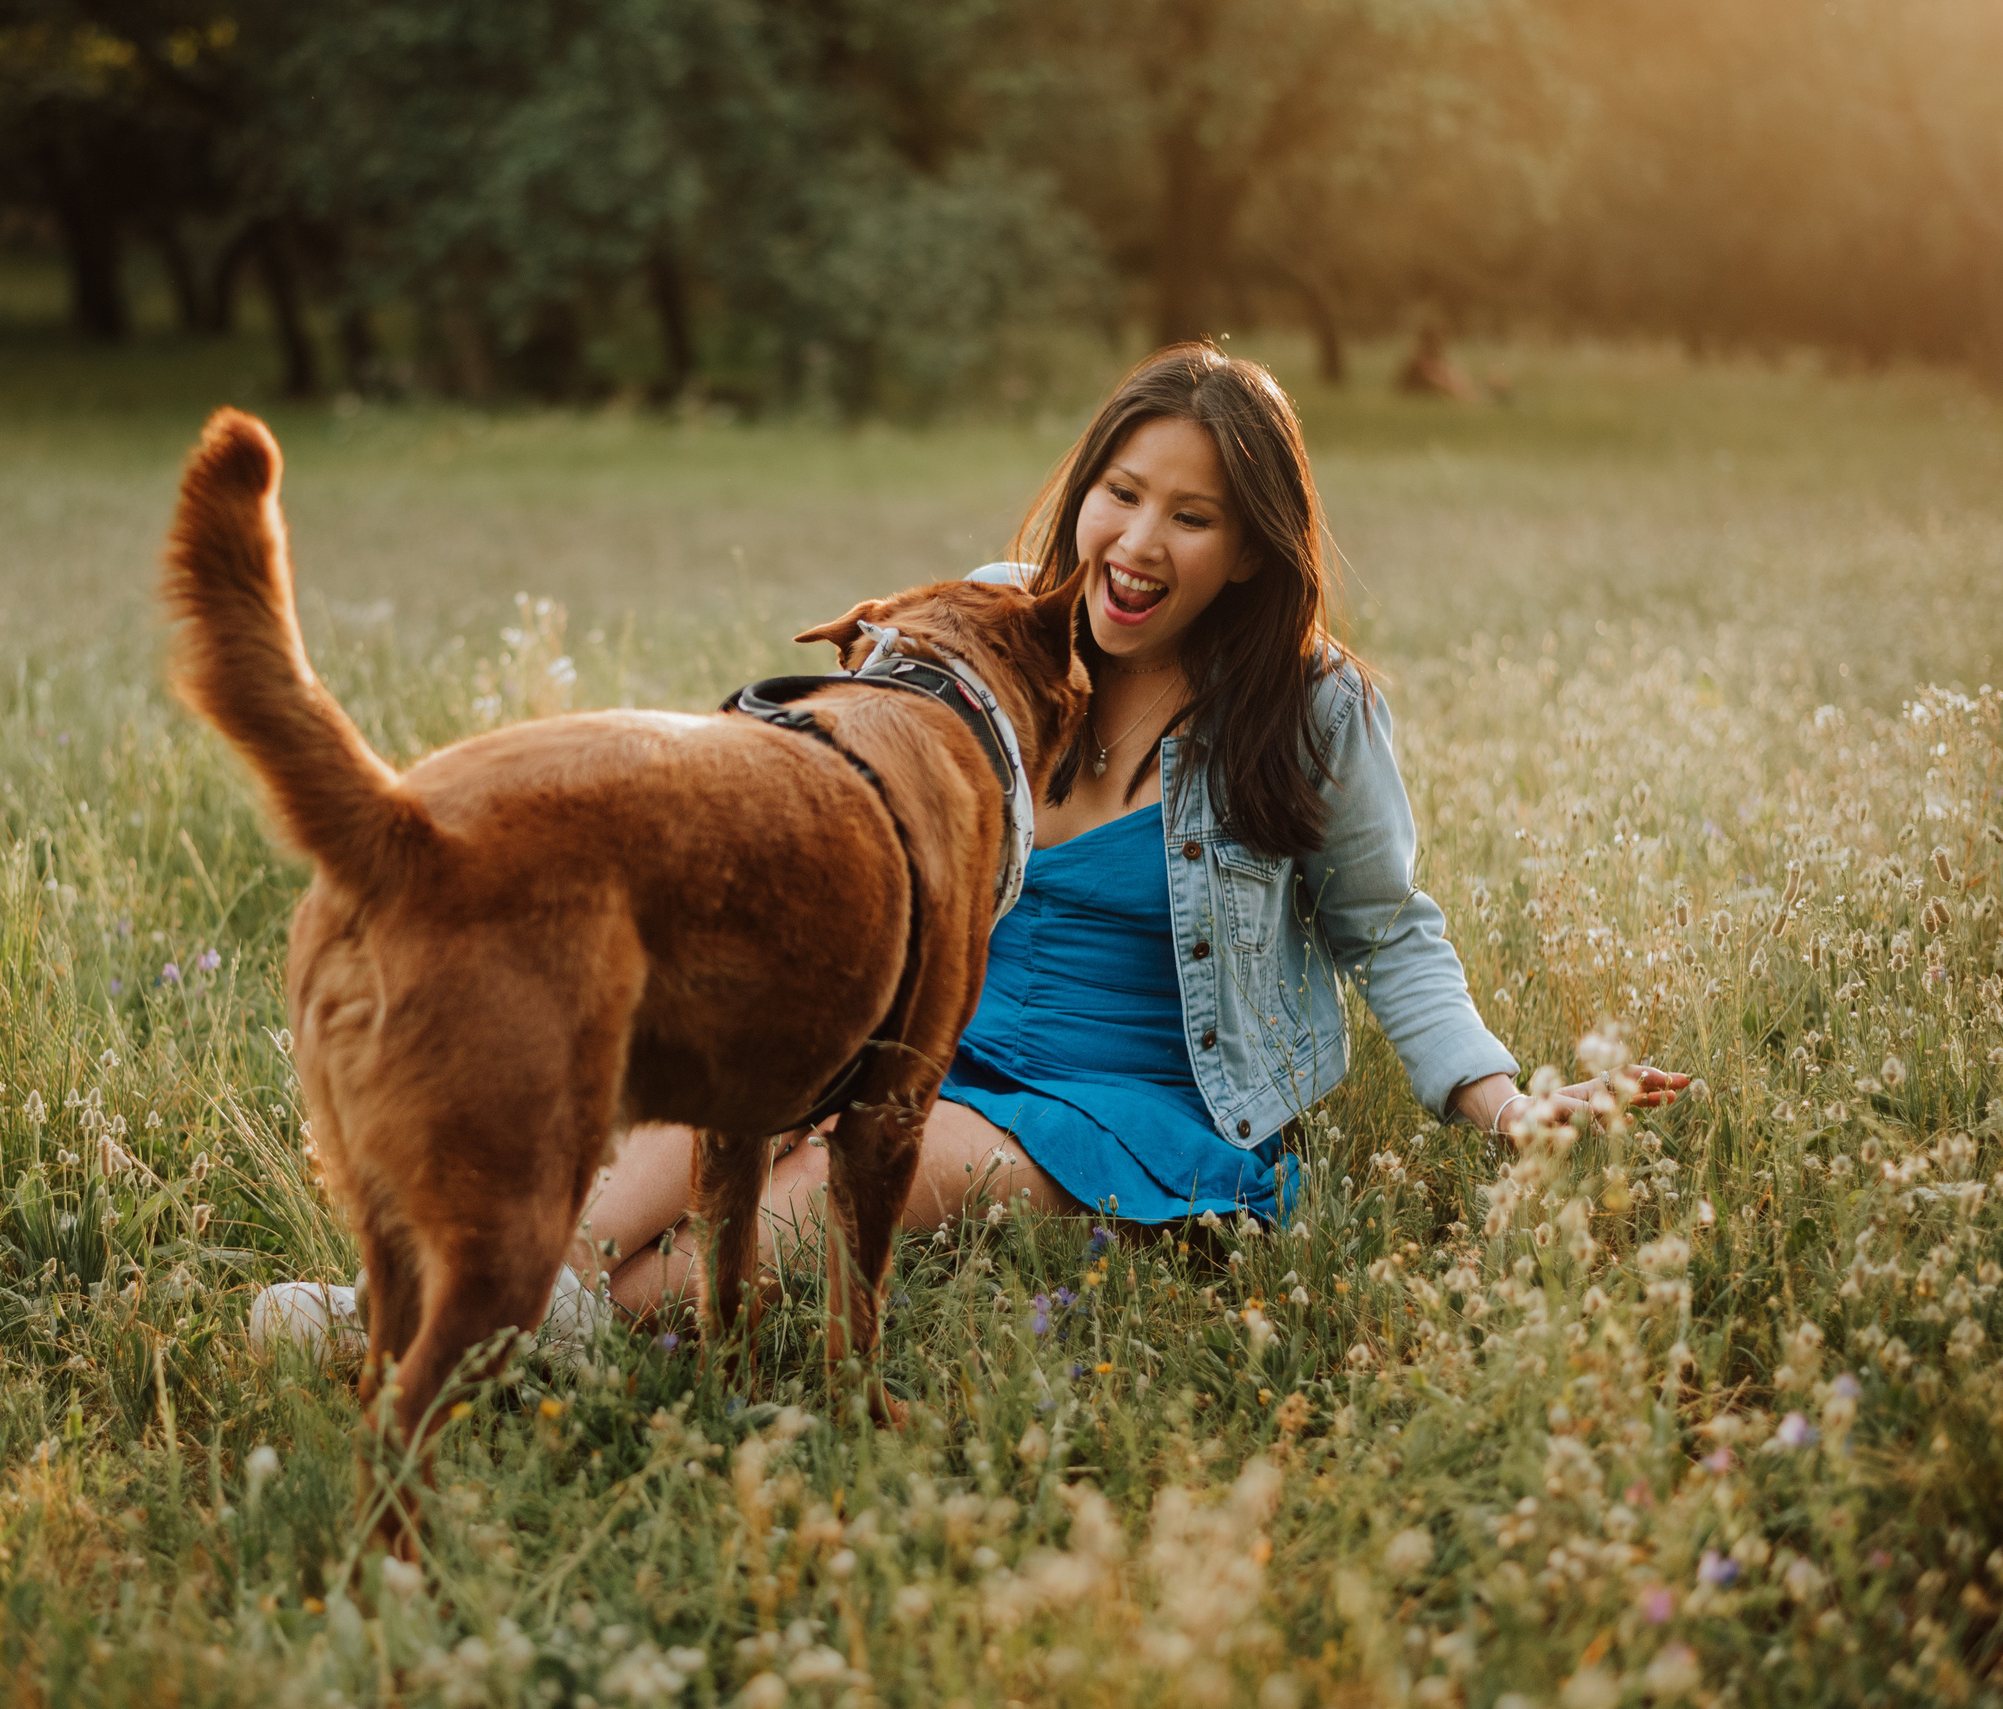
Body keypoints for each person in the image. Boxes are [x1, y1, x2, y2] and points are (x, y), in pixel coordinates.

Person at [564, 342, 1688, 1319]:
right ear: (1083, 490)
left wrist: (1503, 1104)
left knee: (826, 1197)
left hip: (1132, 1099)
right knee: (691, 1131)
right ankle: (479, 1296)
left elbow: (1387, 931)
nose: (1138, 543)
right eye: (1121, 492)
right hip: (933, 1037)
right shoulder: (994, 618)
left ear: (1249, 549)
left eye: (1192, 518)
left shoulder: (1312, 707)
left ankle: (551, 1331)